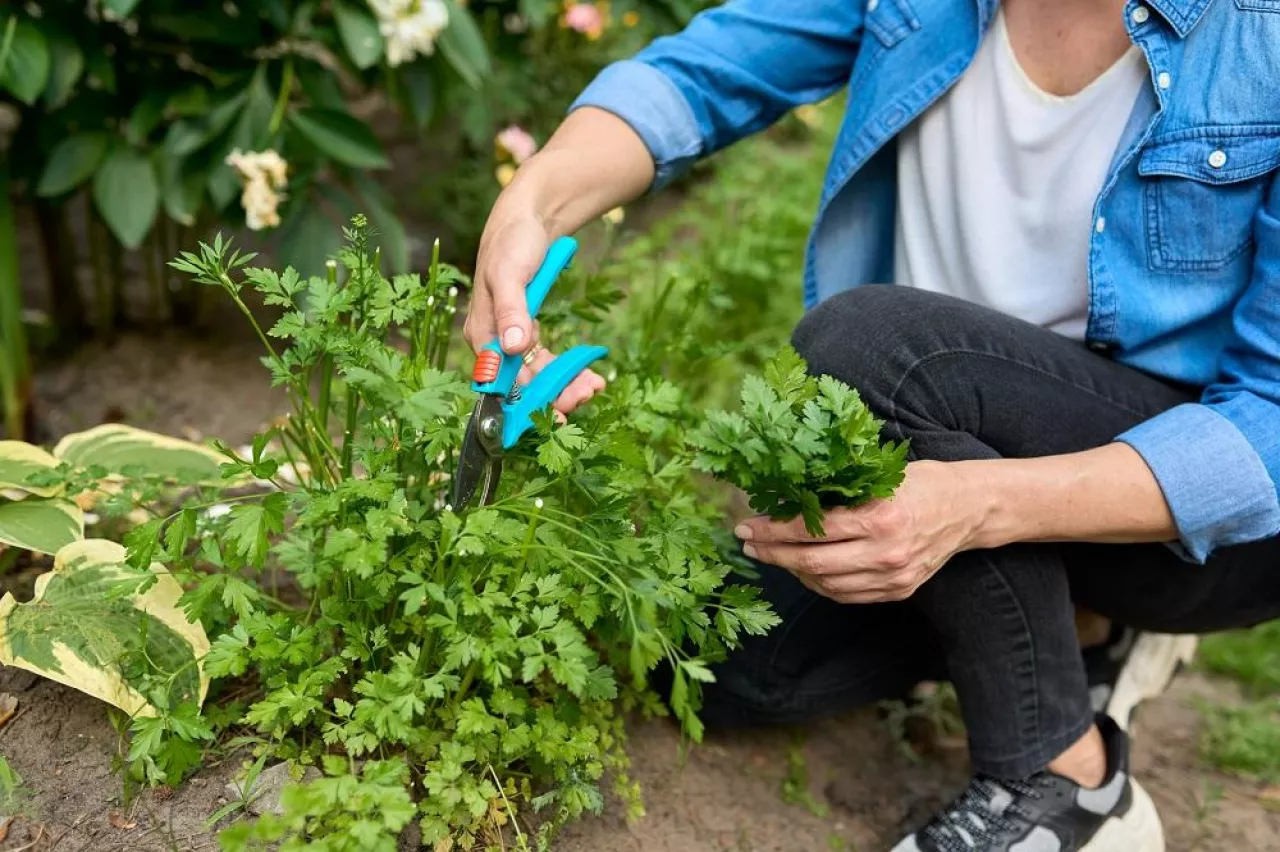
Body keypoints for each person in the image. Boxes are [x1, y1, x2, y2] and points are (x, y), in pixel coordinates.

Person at [462, 1, 1280, 849]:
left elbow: (1272, 424)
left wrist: (978, 504)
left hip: (1185, 512)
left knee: (871, 348)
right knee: (719, 661)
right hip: (925, 433)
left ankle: (1069, 781)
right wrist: (534, 207)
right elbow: (699, 76)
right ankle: (1076, 625)